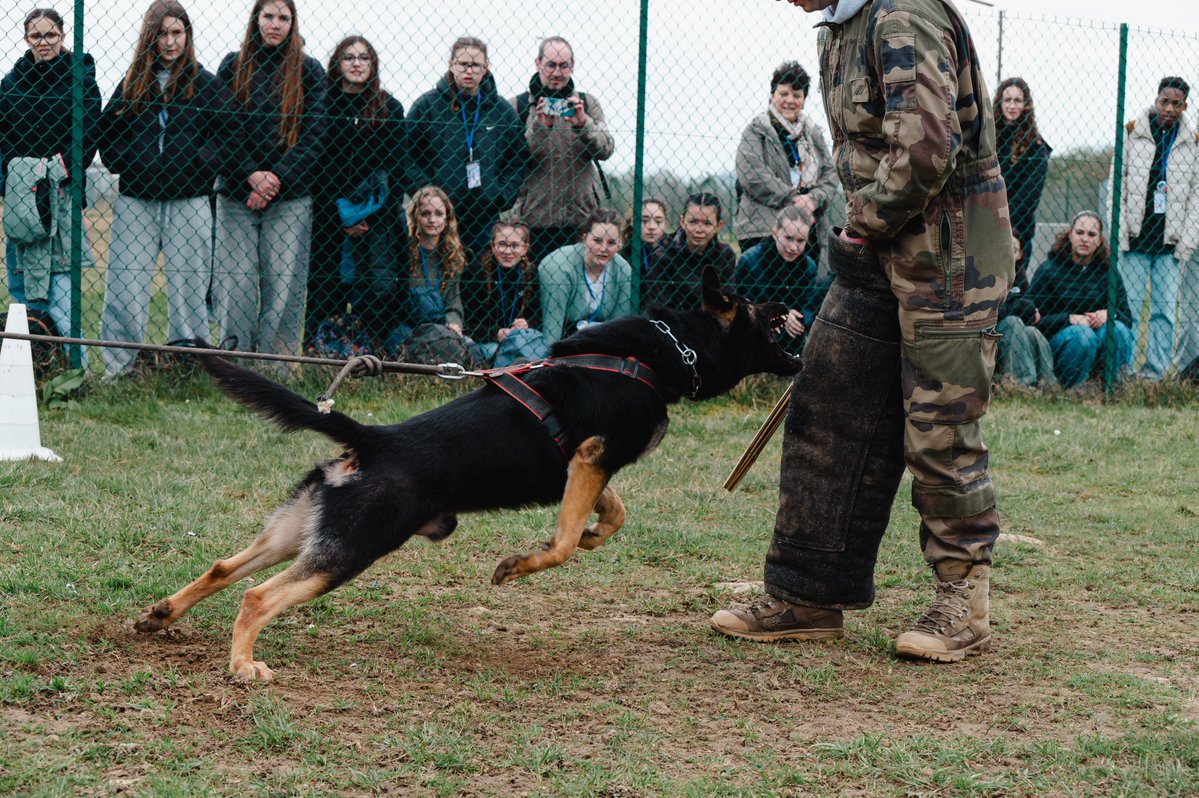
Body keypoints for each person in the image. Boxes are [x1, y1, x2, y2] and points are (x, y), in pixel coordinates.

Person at [712, 0, 1014, 663]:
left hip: (950, 254)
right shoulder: (841, 23)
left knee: (938, 424)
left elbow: (928, 147)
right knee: (827, 403)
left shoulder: (903, 14)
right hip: (876, 246)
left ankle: (963, 599)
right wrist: (866, 227)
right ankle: (807, 592)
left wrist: (862, 219)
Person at [98, 0, 232, 379]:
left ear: (187, 35)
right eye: (162, 34)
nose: (170, 42)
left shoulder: (206, 84)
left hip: (189, 200)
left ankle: (188, 364)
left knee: (189, 288)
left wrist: (196, 164)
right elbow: (109, 134)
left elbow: (227, 135)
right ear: (150, 38)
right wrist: (129, 161)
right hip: (136, 201)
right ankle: (119, 369)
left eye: (177, 33)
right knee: (125, 285)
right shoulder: (132, 84)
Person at [212, 0, 326, 358]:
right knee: (236, 283)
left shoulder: (309, 70)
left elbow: (315, 134)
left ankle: (277, 364)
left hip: (290, 197)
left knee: (283, 285)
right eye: (269, 16)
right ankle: (236, 360)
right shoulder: (233, 65)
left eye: (283, 18)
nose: (275, 24)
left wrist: (276, 179)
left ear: (293, 24)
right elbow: (222, 126)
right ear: (256, 19)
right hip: (237, 193)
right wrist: (250, 175)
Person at [0, 7, 101, 367]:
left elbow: (89, 134)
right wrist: (12, 179)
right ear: (26, 38)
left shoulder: (80, 80)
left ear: (62, 35)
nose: (43, 43)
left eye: (50, 35)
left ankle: (74, 367)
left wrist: (58, 171)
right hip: (21, 200)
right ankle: (31, 369)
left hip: (62, 194)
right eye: (35, 36)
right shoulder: (11, 85)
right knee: (22, 286)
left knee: (62, 289)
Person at [304, 35, 405, 354]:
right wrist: (339, 218)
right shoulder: (320, 106)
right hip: (328, 219)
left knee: (376, 294)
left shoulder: (389, 108)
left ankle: (374, 357)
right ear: (337, 63)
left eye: (364, 58)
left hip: (375, 221)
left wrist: (369, 217)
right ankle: (318, 356)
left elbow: (397, 169)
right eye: (349, 57)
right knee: (325, 293)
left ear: (373, 65)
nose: (357, 63)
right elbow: (315, 166)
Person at [405, 36, 529, 257]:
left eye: (476, 65)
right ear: (451, 64)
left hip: (484, 217)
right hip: (437, 218)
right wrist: (426, 193)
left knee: (479, 274)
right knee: (439, 272)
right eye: (463, 64)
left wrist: (501, 195)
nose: (469, 71)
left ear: (486, 68)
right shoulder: (427, 106)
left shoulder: (501, 111)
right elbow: (404, 155)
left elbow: (518, 158)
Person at [1117, 76, 1199, 380]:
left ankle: (1154, 373)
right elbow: (1118, 183)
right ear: (1156, 100)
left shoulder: (1192, 141)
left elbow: (1196, 194)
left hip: (1170, 242)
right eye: (1164, 102)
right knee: (1130, 307)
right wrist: (1120, 231)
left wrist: (1186, 240)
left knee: (1164, 312)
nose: (1169, 109)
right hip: (1136, 238)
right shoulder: (1133, 133)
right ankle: (1123, 369)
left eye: (1176, 104)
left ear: (1184, 106)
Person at [509, 36, 614, 266]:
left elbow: (606, 148)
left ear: (572, 65)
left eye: (563, 65)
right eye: (551, 65)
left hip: (582, 222)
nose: (557, 72)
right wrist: (540, 127)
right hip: (532, 223)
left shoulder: (588, 104)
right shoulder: (517, 107)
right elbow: (512, 158)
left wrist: (582, 123)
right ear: (538, 64)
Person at [734, 60, 837, 257]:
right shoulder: (757, 131)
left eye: (797, 95)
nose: (790, 100)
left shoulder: (813, 133)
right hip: (763, 229)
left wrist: (813, 200)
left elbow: (830, 173)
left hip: (808, 232)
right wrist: (794, 200)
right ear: (772, 95)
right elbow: (752, 174)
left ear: (804, 99)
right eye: (783, 94)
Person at [1029, 211, 1134, 388]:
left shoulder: (1109, 272)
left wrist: (1110, 314)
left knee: (1118, 330)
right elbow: (1034, 321)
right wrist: (1069, 319)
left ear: (1099, 240)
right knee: (1082, 335)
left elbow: (1127, 319)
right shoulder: (1048, 270)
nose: (1085, 239)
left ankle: (1112, 387)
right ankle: (1075, 388)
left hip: (1099, 336)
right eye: (1080, 233)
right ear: (1070, 235)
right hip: (1063, 342)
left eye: (1091, 234)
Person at [386, 185, 469, 362]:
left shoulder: (452, 256)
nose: (432, 220)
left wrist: (454, 323)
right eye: (425, 214)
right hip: (408, 323)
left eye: (438, 214)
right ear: (416, 216)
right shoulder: (404, 251)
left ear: (447, 218)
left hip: (439, 326)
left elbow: (453, 302)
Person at [731, 205, 822, 354]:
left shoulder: (809, 266)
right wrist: (781, 315)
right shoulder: (750, 260)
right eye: (788, 238)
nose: (793, 247)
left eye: (800, 241)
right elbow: (744, 306)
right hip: (756, 335)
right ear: (775, 233)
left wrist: (799, 319)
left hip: (792, 336)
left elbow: (809, 306)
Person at [539, 208, 634, 344]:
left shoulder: (623, 270)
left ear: (620, 243)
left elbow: (619, 326)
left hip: (601, 340)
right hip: (565, 337)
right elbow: (552, 329)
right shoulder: (558, 266)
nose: (604, 248)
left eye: (611, 242)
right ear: (584, 238)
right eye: (597, 241)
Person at [464, 220, 547, 366]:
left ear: (525, 248)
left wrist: (527, 323)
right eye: (502, 244)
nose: (508, 252)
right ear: (492, 246)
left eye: (514, 245)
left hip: (520, 339)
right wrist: (496, 333)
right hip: (487, 341)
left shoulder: (531, 273)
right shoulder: (476, 272)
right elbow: (468, 322)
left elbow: (537, 316)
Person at [641, 192, 736, 311]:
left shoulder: (725, 255)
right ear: (682, 221)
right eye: (693, 222)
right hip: (673, 321)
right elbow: (660, 306)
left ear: (718, 225)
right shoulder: (663, 256)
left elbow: (729, 301)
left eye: (707, 223)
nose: (699, 229)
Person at [993, 77, 1051, 267]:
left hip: (1017, 230)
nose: (1012, 105)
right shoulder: (987, 138)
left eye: (1017, 100)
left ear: (1026, 104)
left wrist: (1003, 222)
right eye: (1007, 100)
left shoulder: (1036, 146)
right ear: (999, 103)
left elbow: (1029, 194)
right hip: (984, 222)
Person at [995, 234, 1056, 389]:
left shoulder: (1019, 276)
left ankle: (1048, 385)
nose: (1008, 254)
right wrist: (1023, 307)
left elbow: (1028, 312)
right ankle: (1019, 385)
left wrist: (1020, 306)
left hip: (1013, 333)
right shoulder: (984, 273)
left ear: (1020, 255)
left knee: (1032, 332)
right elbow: (995, 311)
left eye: (1014, 250)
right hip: (989, 332)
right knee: (1013, 322)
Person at [621, 197, 670, 277]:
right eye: (644, 221)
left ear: (665, 224)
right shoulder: (626, 252)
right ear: (633, 222)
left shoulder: (672, 250)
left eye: (658, 221)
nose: (651, 227)